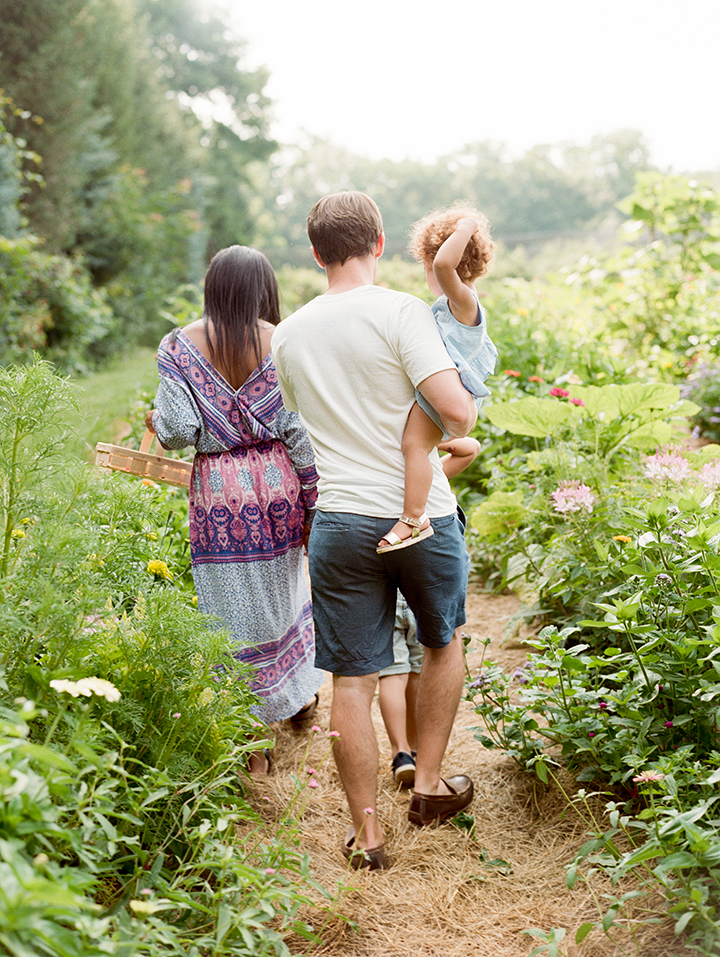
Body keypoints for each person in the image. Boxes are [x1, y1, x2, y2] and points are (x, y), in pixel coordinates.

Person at [272, 191, 478, 871]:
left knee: (352, 680)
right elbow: (455, 411)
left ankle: (367, 838)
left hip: (340, 519)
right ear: (381, 242)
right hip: (421, 518)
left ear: (315, 252)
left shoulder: (290, 333)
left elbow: (306, 420)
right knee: (441, 642)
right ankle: (426, 786)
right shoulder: (400, 311)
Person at [145, 245, 324, 775]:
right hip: (278, 484)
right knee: (285, 597)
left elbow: (177, 433)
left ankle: (250, 737)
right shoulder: (284, 342)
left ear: (211, 288)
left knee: (226, 611)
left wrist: (161, 419)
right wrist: (314, 500)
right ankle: (298, 698)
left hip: (218, 493)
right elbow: (299, 433)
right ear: (262, 289)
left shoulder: (178, 346)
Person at [377, 206, 497, 552]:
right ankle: (463, 450)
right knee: (418, 448)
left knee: (413, 446)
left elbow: (446, 265)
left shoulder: (461, 299)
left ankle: (413, 518)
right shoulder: (451, 305)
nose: (429, 274)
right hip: (445, 393)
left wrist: (466, 227)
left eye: (428, 266)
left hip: (448, 394)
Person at [380, 437, 482, 789]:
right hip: (420, 587)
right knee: (422, 668)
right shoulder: (428, 480)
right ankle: (422, 752)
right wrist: (428, 442)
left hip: (384, 588)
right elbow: (469, 448)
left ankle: (400, 752)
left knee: (392, 673)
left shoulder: (366, 485)